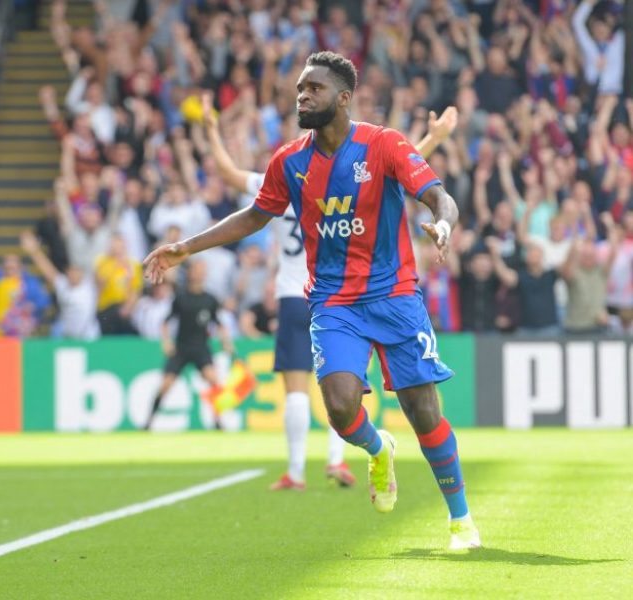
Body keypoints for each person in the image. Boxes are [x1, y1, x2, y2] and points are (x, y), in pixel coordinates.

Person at [145, 52, 478, 550]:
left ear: (343, 98)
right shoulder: (289, 161)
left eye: (314, 89)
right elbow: (255, 216)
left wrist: (445, 224)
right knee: (342, 408)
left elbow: (437, 195)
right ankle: (376, 446)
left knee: (422, 410)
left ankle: (461, 520)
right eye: (300, 88)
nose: (302, 96)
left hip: (394, 295)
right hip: (333, 302)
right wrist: (186, 246)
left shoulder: (382, 143)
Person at [199, 92, 459, 492]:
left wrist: (211, 130)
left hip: (308, 292)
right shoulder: (292, 168)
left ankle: (298, 469)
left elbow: (231, 175)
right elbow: (374, 174)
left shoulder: (288, 173)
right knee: (342, 390)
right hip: (327, 293)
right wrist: (434, 139)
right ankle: (340, 459)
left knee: (305, 390)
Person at [145, 259, 234, 430]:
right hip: (181, 347)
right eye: (197, 269)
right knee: (165, 386)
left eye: (203, 269)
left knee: (214, 382)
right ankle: (149, 421)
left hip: (201, 347)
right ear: (190, 273)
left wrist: (226, 342)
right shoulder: (181, 298)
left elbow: (219, 324)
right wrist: (166, 342)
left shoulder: (210, 299)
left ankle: (218, 422)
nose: (200, 273)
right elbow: (165, 322)